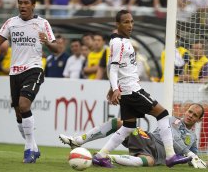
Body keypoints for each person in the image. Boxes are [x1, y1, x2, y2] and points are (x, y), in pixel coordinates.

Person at [76, 10, 192, 168]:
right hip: (132, 91)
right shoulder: (119, 43)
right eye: (126, 22)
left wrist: (113, 88)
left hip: (126, 90)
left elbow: (114, 67)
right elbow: (113, 69)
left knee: (128, 127)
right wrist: (115, 88)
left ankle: (101, 156)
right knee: (163, 114)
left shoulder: (120, 41)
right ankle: (171, 155)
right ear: (117, 24)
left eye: (131, 22)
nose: (130, 25)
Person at [0, 0, 58, 163]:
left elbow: (57, 49)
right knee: (18, 113)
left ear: (33, 5)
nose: (22, 6)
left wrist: (46, 41)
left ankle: (28, 151)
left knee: (24, 105)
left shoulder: (42, 23)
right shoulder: (11, 23)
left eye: (26, 3)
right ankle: (34, 147)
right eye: (20, 3)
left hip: (34, 69)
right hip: (15, 72)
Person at [59, 104, 208, 168]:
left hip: (158, 155)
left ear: (199, 120)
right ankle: (78, 141)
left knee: (148, 162)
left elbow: (194, 160)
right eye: (189, 111)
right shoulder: (171, 120)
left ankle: (108, 158)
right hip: (147, 138)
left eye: (194, 115)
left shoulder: (193, 138)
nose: (190, 115)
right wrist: (188, 153)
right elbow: (176, 142)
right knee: (121, 123)